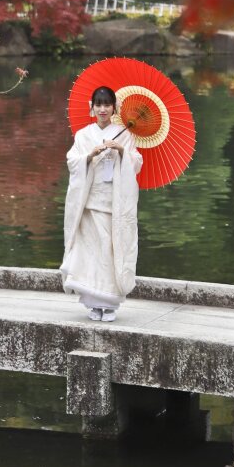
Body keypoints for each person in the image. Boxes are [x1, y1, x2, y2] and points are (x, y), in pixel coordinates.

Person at [60, 85, 143, 322]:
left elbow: (136, 163)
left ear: (114, 108)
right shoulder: (84, 135)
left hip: (112, 203)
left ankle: (110, 305)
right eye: (99, 104)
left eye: (107, 104)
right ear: (92, 107)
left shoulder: (125, 134)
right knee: (90, 255)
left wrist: (122, 152)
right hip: (89, 204)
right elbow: (72, 161)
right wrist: (89, 156)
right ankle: (93, 304)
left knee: (109, 252)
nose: (103, 109)